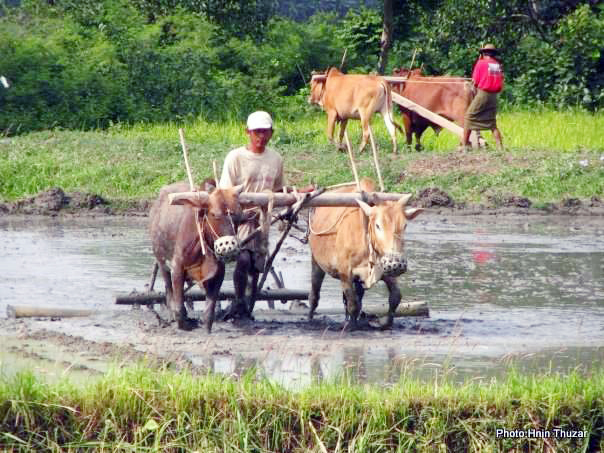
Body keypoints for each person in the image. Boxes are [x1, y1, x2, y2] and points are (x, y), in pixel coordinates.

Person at [219, 110, 314, 318]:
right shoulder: (235, 158)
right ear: (248, 132)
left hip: (263, 219)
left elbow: (278, 190)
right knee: (243, 258)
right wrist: (241, 213)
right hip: (241, 217)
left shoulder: (275, 159)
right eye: (257, 132)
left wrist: (297, 193)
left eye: (265, 132)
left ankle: (247, 309)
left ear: (272, 133)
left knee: (256, 266)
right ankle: (239, 302)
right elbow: (225, 192)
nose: (261, 137)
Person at [462, 43, 504, 151]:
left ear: (484, 53)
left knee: (468, 116)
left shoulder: (481, 63)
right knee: (492, 122)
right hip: (494, 96)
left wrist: (469, 85)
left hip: (483, 94)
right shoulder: (497, 64)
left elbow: (475, 81)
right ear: (493, 54)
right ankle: (500, 146)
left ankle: (464, 145)